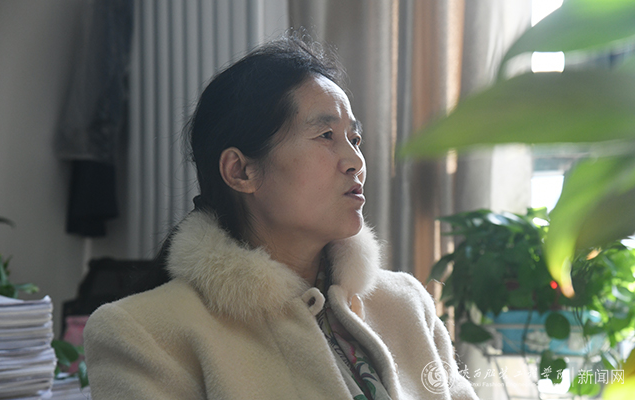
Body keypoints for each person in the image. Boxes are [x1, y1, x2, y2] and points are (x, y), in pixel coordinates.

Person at [83, 34, 479, 400]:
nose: (355, 161)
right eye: (326, 136)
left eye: (354, 139)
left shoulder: (406, 304)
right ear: (241, 171)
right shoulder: (143, 333)